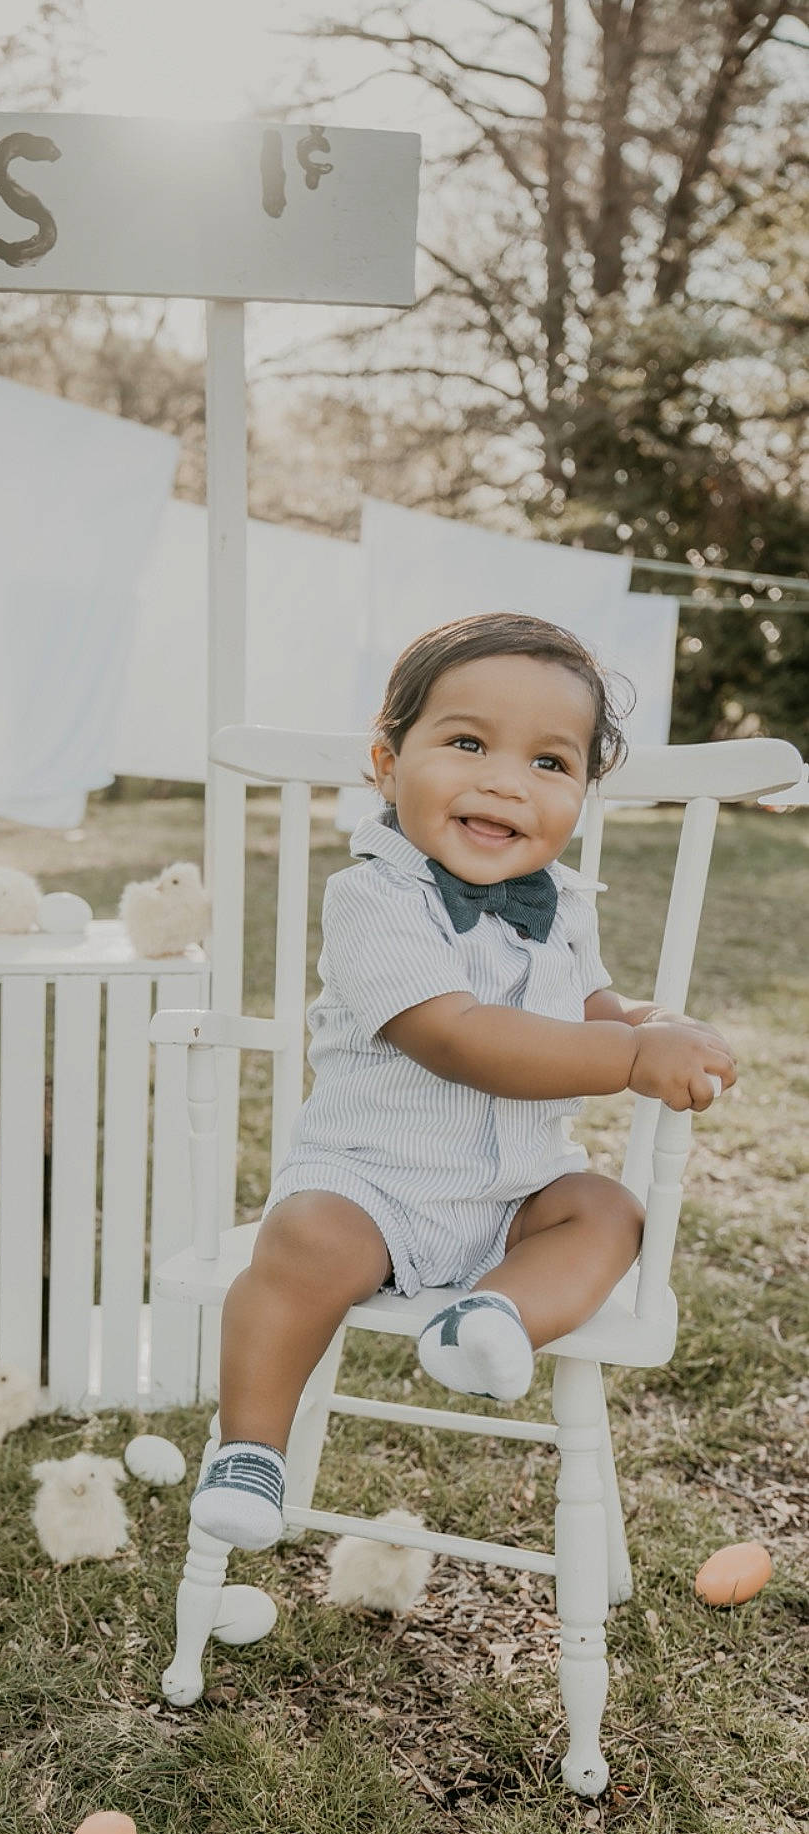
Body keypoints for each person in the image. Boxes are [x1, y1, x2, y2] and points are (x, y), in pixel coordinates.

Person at [188, 612, 738, 1550]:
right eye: (468, 742)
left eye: (550, 764)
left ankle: (495, 1316)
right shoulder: (372, 898)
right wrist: (630, 1061)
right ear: (386, 761)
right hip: (373, 1186)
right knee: (304, 1241)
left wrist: (650, 1025)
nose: (504, 781)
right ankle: (250, 1451)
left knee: (608, 1211)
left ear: (584, 794)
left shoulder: (561, 902)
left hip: (515, 1191)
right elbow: (460, 1036)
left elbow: (588, 1005)